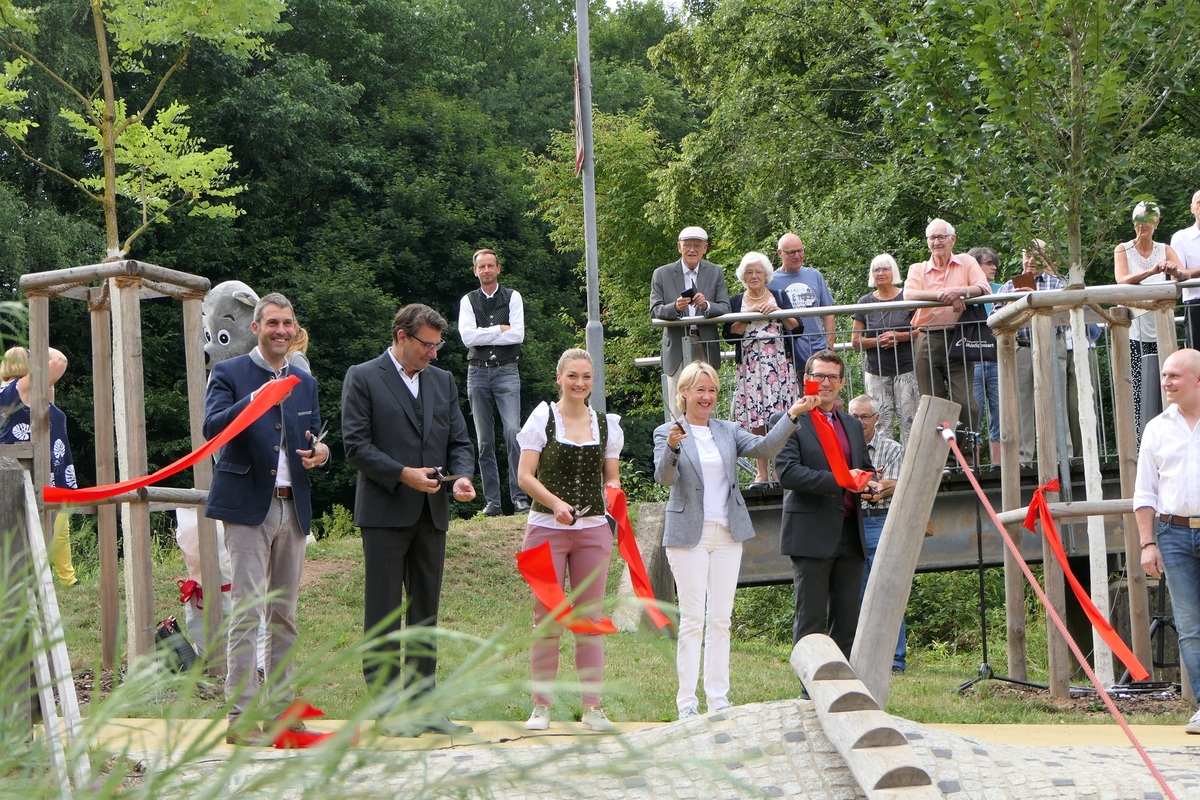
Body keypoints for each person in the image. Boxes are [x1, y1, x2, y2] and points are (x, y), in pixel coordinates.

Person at [654, 362, 818, 719]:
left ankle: (718, 700)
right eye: (700, 390)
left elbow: (764, 448)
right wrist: (673, 448)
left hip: (729, 532)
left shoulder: (727, 430)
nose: (707, 397)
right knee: (693, 619)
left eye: (712, 390)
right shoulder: (668, 430)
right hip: (687, 535)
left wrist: (791, 414)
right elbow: (664, 478)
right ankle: (686, 703)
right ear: (683, 393)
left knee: (721, 619)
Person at [341, 303, 476, 737]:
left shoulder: (444, 381)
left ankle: (424, 707)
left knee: (425, 613)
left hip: (432, 513)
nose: (434, 354)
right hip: (383, 513)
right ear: (402, 337)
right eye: (427, 345)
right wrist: (403, 475)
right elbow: (355, 446)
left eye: (438, 346)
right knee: (382, 613)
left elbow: (459, 440)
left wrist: (462, 477)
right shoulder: (362, 377)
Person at [203, 293, 331, 746]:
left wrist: (321, 452)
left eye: (288, 323)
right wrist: (255, 400)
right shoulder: (229, 372)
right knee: (247, 612)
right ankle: (240, 716)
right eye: (272, 322)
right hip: (246, 507)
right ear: (255, 327)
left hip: (291, 506)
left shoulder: (304, 380)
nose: (281, 330)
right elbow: (213, 428)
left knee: (284, 615)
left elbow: (312, 433)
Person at [517, 349, 623, 733]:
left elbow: (611, 476)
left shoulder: (606, 424)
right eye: (573, 376)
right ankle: (541, 705)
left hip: (592, 529)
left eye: (587, 377)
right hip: (546, 527)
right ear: (558, 377)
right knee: (546, 619)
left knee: (589, 620)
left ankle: (592, 707)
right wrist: (556, 504)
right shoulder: (543, 417)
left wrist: (614, 494)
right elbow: (525, 476)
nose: (580, 383)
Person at [774, 350, 877, 658]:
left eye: (832, 377)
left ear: (842, 383)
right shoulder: (792, 420)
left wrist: (872, 486)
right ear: (807, 380)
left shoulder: (852, 424)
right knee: (810, 621)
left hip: (850, 533)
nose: (825, 383)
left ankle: (842, 690)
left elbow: (865, 466)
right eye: (819, 376)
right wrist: (843, 479)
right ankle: (809, 693)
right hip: (810, 533)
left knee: (847, 622)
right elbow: (787, 472)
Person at [1133, 348, 1200, 735]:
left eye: (1174, 376)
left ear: (1197, 380)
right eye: (1163, 375)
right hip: (1172, 533)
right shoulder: (1157, 427)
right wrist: (1147, 543)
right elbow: (1146, 493)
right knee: (1190, 626)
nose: (1166, 382)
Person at [458, 248, 530, 517]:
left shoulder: (513, 297)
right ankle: (493, 502)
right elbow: (467, 339)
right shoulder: (468, 300)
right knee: (484, 439)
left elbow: (517, 335)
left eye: (491, 265)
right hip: (476, 372)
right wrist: (500, 329)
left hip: (506, 370)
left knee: (513, 432)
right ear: (475, 271)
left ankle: (519, 497)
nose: (486, 270)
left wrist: (483, 334)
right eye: (481, 266)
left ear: (498, 268)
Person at [904, 218, 990, 433]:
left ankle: (968, 456)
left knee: (965, 403)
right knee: (933, 403)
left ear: (953, 239)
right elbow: (909, 295)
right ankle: (943, 462)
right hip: (927, 338)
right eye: (932, 238)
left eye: (941, 237)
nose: (936, 242)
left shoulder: (967, 262)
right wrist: (945, 296)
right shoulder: (918, 268)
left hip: (959, 337)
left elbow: (984, 287)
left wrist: (961, 291)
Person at [723, 251, 801, 487]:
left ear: (766, 275)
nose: (754, 276)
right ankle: (761, 472)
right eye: (749, 272)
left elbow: (797, 327)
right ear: (743, 277)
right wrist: (748, 317)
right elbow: (728, 334)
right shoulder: (737, 301)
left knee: (779, 416)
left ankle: (779, 470)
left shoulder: (779, 295)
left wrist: (778, 312)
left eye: (758, 272)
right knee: (755, 416)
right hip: (751, 368)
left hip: (778, 367)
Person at [1, 345, 76, 585]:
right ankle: (57, 579)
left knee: (56, 521)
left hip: (45, 466)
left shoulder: (21, 391)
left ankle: (64, 577)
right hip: (35, 469)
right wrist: (36, 344)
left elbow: (47, 406)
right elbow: (60, 360)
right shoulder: (21, 388)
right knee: (46, 523)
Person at [996, 240, 1071, 465]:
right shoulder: (1008, 286)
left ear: (1045, 258)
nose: (1029, 261)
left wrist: (1035, 300)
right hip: (1020, 348)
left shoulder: (1058, 284)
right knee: (1021, 405)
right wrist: (1015, 302)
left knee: (1056, 400)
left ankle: (1062, 457)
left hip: (1051, 345)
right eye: (1026, 255)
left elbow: (1067, 314)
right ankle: (1023, 460)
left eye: (1035, 256)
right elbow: (996, 320)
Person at [847, 394, 907, 673]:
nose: (859, 422)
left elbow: (893, 483)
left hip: (881, 520)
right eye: (854, 417)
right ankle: (861, 658)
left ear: (876, 419)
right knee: (854, 592)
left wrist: (873, 483)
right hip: (851, 521)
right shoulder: (843, 445)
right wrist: (874, 482)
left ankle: (895, 659)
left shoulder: (891, 448)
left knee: (887, 589)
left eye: (865, 417)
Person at [1114, 201, 1184, 437]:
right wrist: (1153, 271)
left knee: (1170, 389)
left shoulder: (1164, 249)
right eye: (1138, 220)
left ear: (1157, 223)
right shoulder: (1122, 249)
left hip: (1162, 331)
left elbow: (1182, 274)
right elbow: (1121, 279)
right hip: (1134, 332)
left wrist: (1173, 271)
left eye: (1148, 220)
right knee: (1137, 390)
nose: (1142, 225)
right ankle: (1140, 444)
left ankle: (1171, 439)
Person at [650, 226, 731, 417]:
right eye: (687, 245)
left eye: (697, 245)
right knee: (678, 405)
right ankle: (679, 445)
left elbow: (725, 307)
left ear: (705, 248)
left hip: (705, 345)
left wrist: (706, 306)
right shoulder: (662, 274)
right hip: (677, 346)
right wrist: (675, 308)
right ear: (679, 247)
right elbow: (655, 311)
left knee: (706, 401)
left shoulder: (715, 272)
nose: (692, 250)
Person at [851, 253, 918, 446]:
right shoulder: (865, 302)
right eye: (876, 269)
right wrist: (879, 341)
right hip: (876, 370)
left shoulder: (908, 296)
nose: (881, 273)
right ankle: (883, 466)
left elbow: (921, 329)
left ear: (893, 272)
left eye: (885, 268)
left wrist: (900, 336)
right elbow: (856, 340)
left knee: (909, 418)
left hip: (907, 367)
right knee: (880, 421)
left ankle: (909, 467)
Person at [768, 233, 836, 368]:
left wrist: (829, 346)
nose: (797, 256)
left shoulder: (814, 275)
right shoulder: (770, 282)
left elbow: (828, 314)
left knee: (815, 389)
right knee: (795, 390)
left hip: (817, 351)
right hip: (787, 353)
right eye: (791, 252)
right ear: (779, 253)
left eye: (800, 250)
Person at [967, 247, 1002, 465]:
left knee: (1000, 413)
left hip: (999, 358)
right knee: (974, 413)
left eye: (994, 263)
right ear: (975, 266)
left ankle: (999, 467)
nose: (994, 267)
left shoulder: (1002, 289)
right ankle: (975, 467)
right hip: (972, 361)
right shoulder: (966, 290)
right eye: (988, 263)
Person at [1170, 191, 1200, 349]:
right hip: (1195, 305)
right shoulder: (1181, 237)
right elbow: (1178, 275)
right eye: (1199, 203)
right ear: (1192, 208)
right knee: (1197, 358)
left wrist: (1190, 272)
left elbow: (1186, 273)